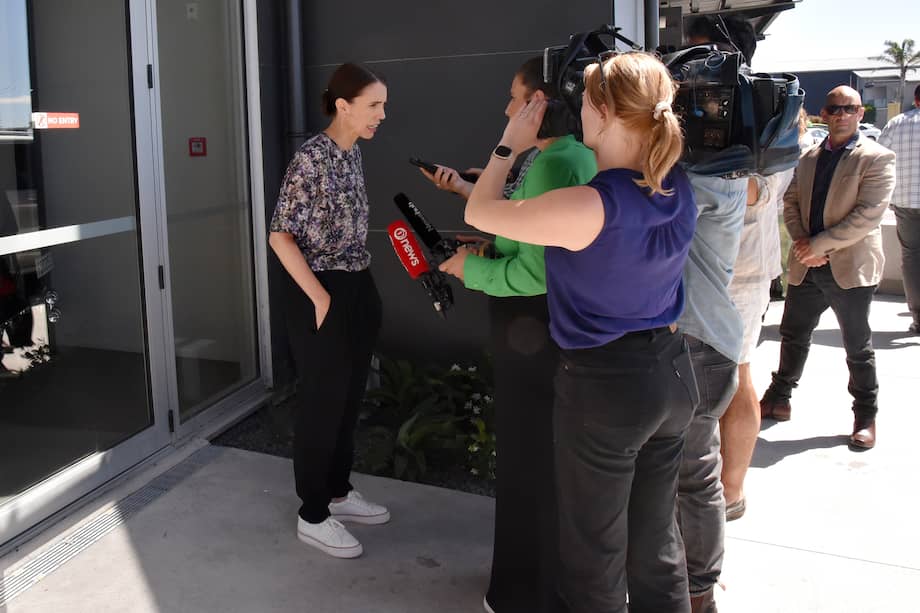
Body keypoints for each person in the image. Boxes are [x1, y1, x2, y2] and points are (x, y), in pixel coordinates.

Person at [465, 52, 698, 613]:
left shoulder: (589, 205)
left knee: (592, 557)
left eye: (586, 99)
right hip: (671, 374)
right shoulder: (676, 187)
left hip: (605, 389)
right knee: (657, 545)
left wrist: (508, 144)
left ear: (607, 111)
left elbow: (479, 212)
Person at [420, 57, 596, 613]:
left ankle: (529, 592)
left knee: (529, 463)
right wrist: (489, 249)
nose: (505, 109)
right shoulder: (564, 155)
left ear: (539, 104)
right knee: (545, 462)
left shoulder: (550, 163)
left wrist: (467, 269)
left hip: (534, 329)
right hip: (549, 331)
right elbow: (526, 239)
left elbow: (535, 271)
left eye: (514, 98)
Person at [268, 62, 390, 559]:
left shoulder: (352, 154)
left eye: (383, 105)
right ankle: (313, 514)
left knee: (349, 395)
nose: (383, 114)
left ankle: (338, 491)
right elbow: (280, 234)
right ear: (343, 106)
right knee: (322, 401)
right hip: (318, 290)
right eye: (374, 105)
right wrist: (321, 298)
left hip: (356, 284)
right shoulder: (311, 159)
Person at [760, 86, 896, 451]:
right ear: (823, 113)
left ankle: (865, 415)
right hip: (808, 265)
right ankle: (780, 397)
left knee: (857, 345)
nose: (840, 115)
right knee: (793, 334)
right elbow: (791, 202)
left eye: (848, 108)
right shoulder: (808, 158)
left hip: (850, 267)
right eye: (834, 108)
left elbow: (868, 215)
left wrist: (817, 246)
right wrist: (805, 245)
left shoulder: (877, 158)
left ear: (860, 114)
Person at [675, 169, 747, 613]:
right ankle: (692, 586)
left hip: (696, 343)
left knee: (694, 473)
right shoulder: (721, 170)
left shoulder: (704, 178)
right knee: (690, 472)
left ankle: (698, 592)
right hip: (704, 338)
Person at [879, 84, 920, 335]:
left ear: (915, 100)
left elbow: (879, 158)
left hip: (905, 203)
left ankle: (918, 318)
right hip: (905, 202)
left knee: (912, 259)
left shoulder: (896, 124)